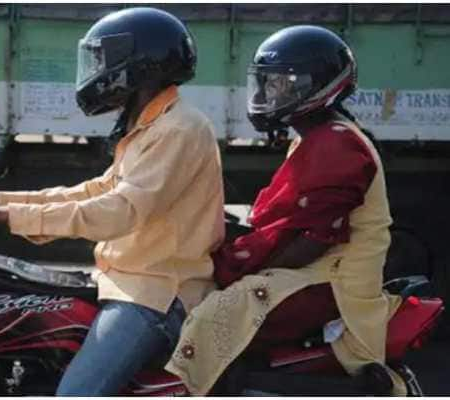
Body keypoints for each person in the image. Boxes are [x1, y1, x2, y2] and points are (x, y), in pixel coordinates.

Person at [0, 7, 225, 396]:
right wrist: (1, 199)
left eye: (104, 59)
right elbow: (97, 190)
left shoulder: (179, 128)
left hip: (155, 294)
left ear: (140, 64)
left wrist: (7, 217)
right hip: (121, 281)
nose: (98, 71)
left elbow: (120, 211)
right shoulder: (150, 125)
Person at [165, 25, 407, 395]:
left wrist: (250, 268)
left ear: (320, 87)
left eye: (285, 84)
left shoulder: (338, 144)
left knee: (219, 310)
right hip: (317, 268)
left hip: (335, 279)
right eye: (269, 83)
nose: (271, 93)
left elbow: (314, 241)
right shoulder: (319, 137)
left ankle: (192, 387)